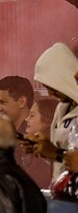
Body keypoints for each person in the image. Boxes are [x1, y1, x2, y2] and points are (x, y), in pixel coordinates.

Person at [30, 43, 78, 178]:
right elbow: (63, 157)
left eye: (52, 86)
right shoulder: (62, 108)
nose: (50, 93)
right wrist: (44, 148)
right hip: (64, 192)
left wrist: (55, 153)